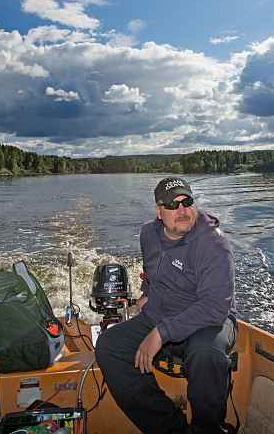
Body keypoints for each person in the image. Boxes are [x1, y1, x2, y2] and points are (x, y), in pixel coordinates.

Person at [95, 177, 236, 434]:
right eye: (172, 205)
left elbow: (216, 307)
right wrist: (148, 292)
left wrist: (161, 333)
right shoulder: (148, 234)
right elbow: (152, 270)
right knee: (109, 346)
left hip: (209, 319)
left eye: (187, 202)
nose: (182, 210)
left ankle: (208, 429)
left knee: (206, 353)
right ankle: (171, 428)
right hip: (162, 311)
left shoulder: (213, 244)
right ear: (159, 212)